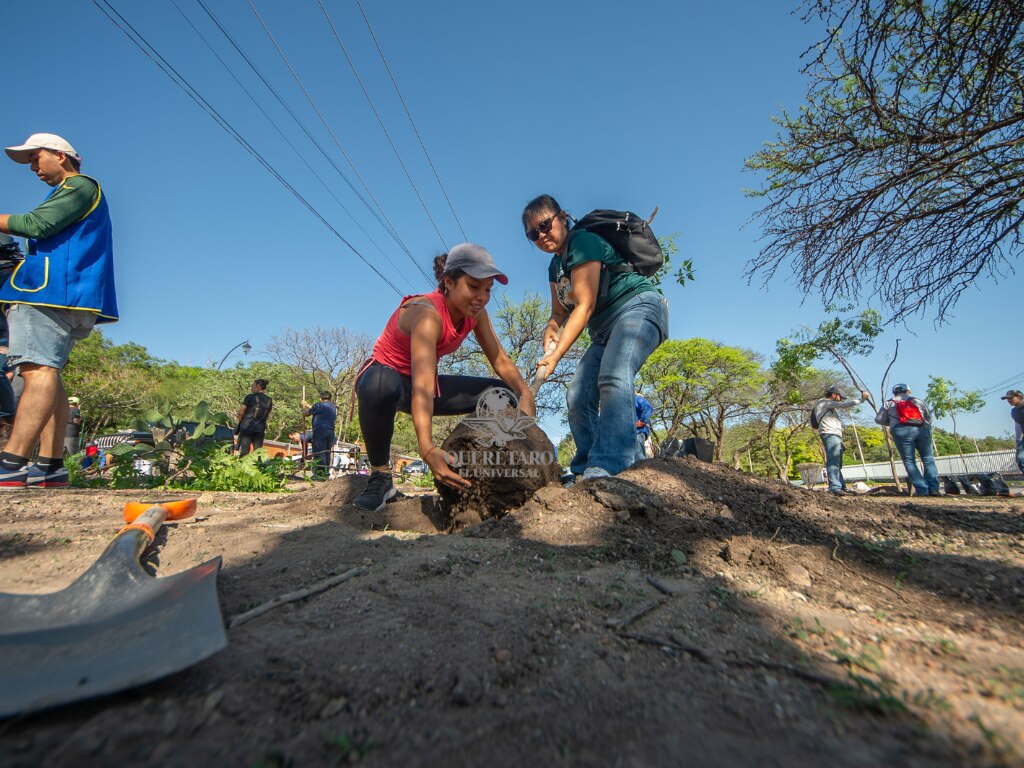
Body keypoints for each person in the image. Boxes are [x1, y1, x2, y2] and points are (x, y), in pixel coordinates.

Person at [353, 243, 534, 512]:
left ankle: (491, 475)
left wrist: (524, 393)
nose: (482, 297)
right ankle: (381, 477)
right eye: (474, 287)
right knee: (380, 385)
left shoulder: (477, 315)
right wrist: (427, 450)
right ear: (448, 282)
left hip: (424, 385)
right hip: (386, 380)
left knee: (503, 394)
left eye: (487, 290)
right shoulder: (427, 315)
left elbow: (500, 359)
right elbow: (422, 388)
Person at [0, 134, 118, 489]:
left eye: (36, 158)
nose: (34, 168)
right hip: (74, 295)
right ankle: (51, 465)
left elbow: (37, 225)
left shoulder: (79, 185)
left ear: (61, 156)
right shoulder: (80, 192)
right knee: (49, 374)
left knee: (36, 373)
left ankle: (11, 462)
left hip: (49, 293)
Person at [522, 195, 669, 479]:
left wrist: (555, 356)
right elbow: (559, 312)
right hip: (604, 332)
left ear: (561, 217)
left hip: (637, 309)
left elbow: (585, 305)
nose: (541, 235)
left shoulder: (583, 241)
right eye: (532, 233)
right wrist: (551, 328)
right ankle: (588, 468)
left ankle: (610, 464)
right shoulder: (555, 267)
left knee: (614, 376)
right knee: (577, 394)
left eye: (544, 225)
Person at [874, 383, 940, 496]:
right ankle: (934, 488)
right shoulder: (917, 401)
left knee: (909, 461)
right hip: (922, 429)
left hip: (901, 431)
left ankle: (922, 489)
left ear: (894, 392)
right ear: (907, 391)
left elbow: (879, 420)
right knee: (928, 459)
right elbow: (928, 417)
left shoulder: (888, 403)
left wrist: (892, 422)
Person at [811, 385, 870, 495]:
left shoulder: (829, 407)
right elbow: (844, 405)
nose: (841, 399)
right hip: (830, 434)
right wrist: (862, 399)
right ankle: (835, 487)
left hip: (835, 435)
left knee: (837, 462)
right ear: (833, 395)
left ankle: (841, 487)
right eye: (840, 397)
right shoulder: (823, 402)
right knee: (833, 461)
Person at [302, 391, 337, 478]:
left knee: (319, 452)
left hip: (320, 431)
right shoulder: (333, 406)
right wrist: (307, 405)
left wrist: (303, 409)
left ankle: (319, 474)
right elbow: (318, 410)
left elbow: (307, 413)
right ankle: (325, 473)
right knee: (326, 452)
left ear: (321, 398)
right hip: (331, 432)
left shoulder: (318, 405)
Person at [236, 379, 272, 457]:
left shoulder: (249, 397)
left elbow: (241, 411)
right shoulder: (269, 400)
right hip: (260, 429)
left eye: (253, 386)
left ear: (258, 386)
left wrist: (240, 419)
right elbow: (268, 414)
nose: (251, 388)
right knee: (258, 452)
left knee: (244, 451)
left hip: (247, 427)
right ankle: (258, 466)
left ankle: (243, 466)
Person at [1000, 390, 1024, 475]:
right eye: (1007, 399)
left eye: (1011, 398)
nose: (1008, 400)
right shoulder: (1014, 411)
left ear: (1019, 397)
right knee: (1020, 459)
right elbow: (1018, 425)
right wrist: (1018, 440)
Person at [634, 392, 654, 463]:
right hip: (629, 434)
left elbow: (648, 407)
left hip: (637, 432)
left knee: (638, 458)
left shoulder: (635, 398)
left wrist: (641, 421)